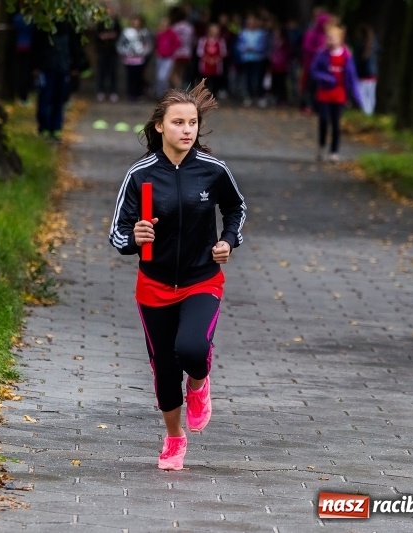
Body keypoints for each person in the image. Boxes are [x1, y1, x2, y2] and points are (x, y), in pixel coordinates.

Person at [108, 81, 247, 471]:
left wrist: (228, 240)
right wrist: (135, 238)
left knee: (192, 349)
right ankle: (173, 438)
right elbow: (117, 233)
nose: (187, 130)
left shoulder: (213, 170)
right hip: (153, 286)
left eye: (192, 123)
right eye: (178, 123)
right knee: (164, 369)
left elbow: (237, 208)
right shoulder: (139, 175)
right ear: (159, 127)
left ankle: (200, 386)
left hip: (202, 279)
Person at [310, 24, 363, 162]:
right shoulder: (321, 54)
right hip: (324, 93)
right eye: (328, 38)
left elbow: (352, 77)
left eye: (333, 38)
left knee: (336, 123)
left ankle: (334, 152)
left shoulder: (346, 56)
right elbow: (314, 71)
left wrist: (356, 97)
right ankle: (321, 147)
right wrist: (325, 78)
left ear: (340, 39)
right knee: (323, 120)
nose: (330, 41)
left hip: (339, 94)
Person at [32, 21, 86, 141]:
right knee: (45, 98)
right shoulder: (43, 24)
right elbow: (36, 45)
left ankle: (55, 128)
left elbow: (75, 46)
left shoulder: (68, 25)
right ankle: (44, 127)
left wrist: (75, 66)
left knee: (59, 99)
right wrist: (36, 66)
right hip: (47, 68)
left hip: (63, 68)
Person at [117, 14, 154, 102]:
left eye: (138, 21)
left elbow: (149, 45)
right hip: (129, 59)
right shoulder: (126, 32)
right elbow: (120, 44)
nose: (136, 23)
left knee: (139, 76)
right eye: (134, 21)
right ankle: (131, 94)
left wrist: (145, 53)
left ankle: (139, 94)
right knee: (130, 76)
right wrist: (123, 52)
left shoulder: (145, 32)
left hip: (140, 59)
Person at [95, 4, 122, 102]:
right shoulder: (100, 22)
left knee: (113, 72)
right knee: (101, 72)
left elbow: (119, 34)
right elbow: (97, 35)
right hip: (102, 51)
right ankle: (101, 91)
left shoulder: (116, 22)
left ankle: (113, 92)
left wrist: (111, 36)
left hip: (113, 51)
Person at [352, 23, 380, 115]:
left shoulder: (361, 45)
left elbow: (358, 61)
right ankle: (369, 113)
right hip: (373, 74)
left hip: (363, 74)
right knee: (370, 95)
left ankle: (366, 113)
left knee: (362, 94)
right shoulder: (374, 44)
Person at [196, 23, 228, 99]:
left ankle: (214, 96)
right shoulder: (203, 40)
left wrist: (215, 59)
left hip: (217, 65)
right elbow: (199, 52)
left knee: (215, 81)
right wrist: (208, 59)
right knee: (205, 81)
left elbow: (223, 53)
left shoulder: (221, 41)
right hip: (205, 65)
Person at [154, 16, 181, 98]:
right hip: (160, 57)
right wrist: (157, 51)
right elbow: (156, 44)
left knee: (163, 76)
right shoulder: (159, 33)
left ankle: (163, 94)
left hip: (168, 58)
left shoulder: (171, 33)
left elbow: (177, 43)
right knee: (158, 76)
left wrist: (171, 51)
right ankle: (159, 93)